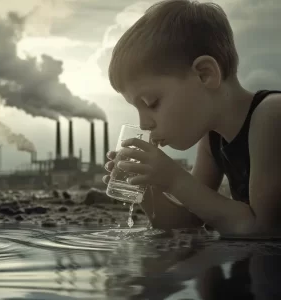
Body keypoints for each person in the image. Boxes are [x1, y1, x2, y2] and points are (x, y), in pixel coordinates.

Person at [102, 0, 281, 236]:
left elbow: (263, 227)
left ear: (205, 74)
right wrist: (146, 188)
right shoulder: (212, 139)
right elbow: (188, 221)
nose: (144, 124)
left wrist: (174, 179)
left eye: (151, 103)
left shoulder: (271, 115)